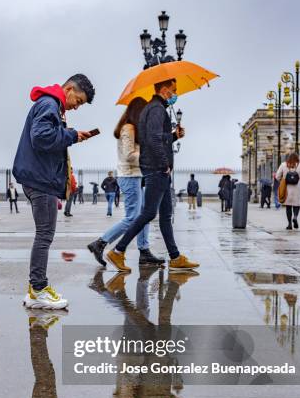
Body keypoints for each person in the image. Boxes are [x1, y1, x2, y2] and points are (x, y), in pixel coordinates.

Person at [13, 73, 95, 309]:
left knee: (44, 234)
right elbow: (40, 138)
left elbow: (47, 142)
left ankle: (35, 290)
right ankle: (38, 289)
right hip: (40, 181)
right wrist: (70, 135)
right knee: (45, 235)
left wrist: (73, 137)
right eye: (78, 101)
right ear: (69, 89)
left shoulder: (51, 105)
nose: (76, 107)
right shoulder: (50, 104)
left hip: (39, 178)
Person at [105, 78, 199, 273]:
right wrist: (165, 164)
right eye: (173, 90)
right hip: (157, 169)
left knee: (165, 215)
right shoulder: (157, 109)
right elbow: (155, 139)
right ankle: (118, 251)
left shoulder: (152, 109)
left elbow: (153, 138)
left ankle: (175, 257)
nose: (175, 94)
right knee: (148, 213)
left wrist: (174, 136)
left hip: (154, 167)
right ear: (164, 89)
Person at [87, 97, 164, 267]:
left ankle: (144, 250)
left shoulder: (134, 129)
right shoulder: (128, 129)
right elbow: (129, 155)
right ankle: (100, 243)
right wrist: (148, 157)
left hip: (135, 176)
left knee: (143, 215)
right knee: (132, 218)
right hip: (129, 176)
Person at [276, 152, 300, 229]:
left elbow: (277, 176)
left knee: (288, 207)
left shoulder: (283, 165)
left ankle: (289, 224)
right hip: (297, 188)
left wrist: (282, 180)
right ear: (297, 158)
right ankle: (295, 217)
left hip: (287, 189)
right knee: (296, 205)